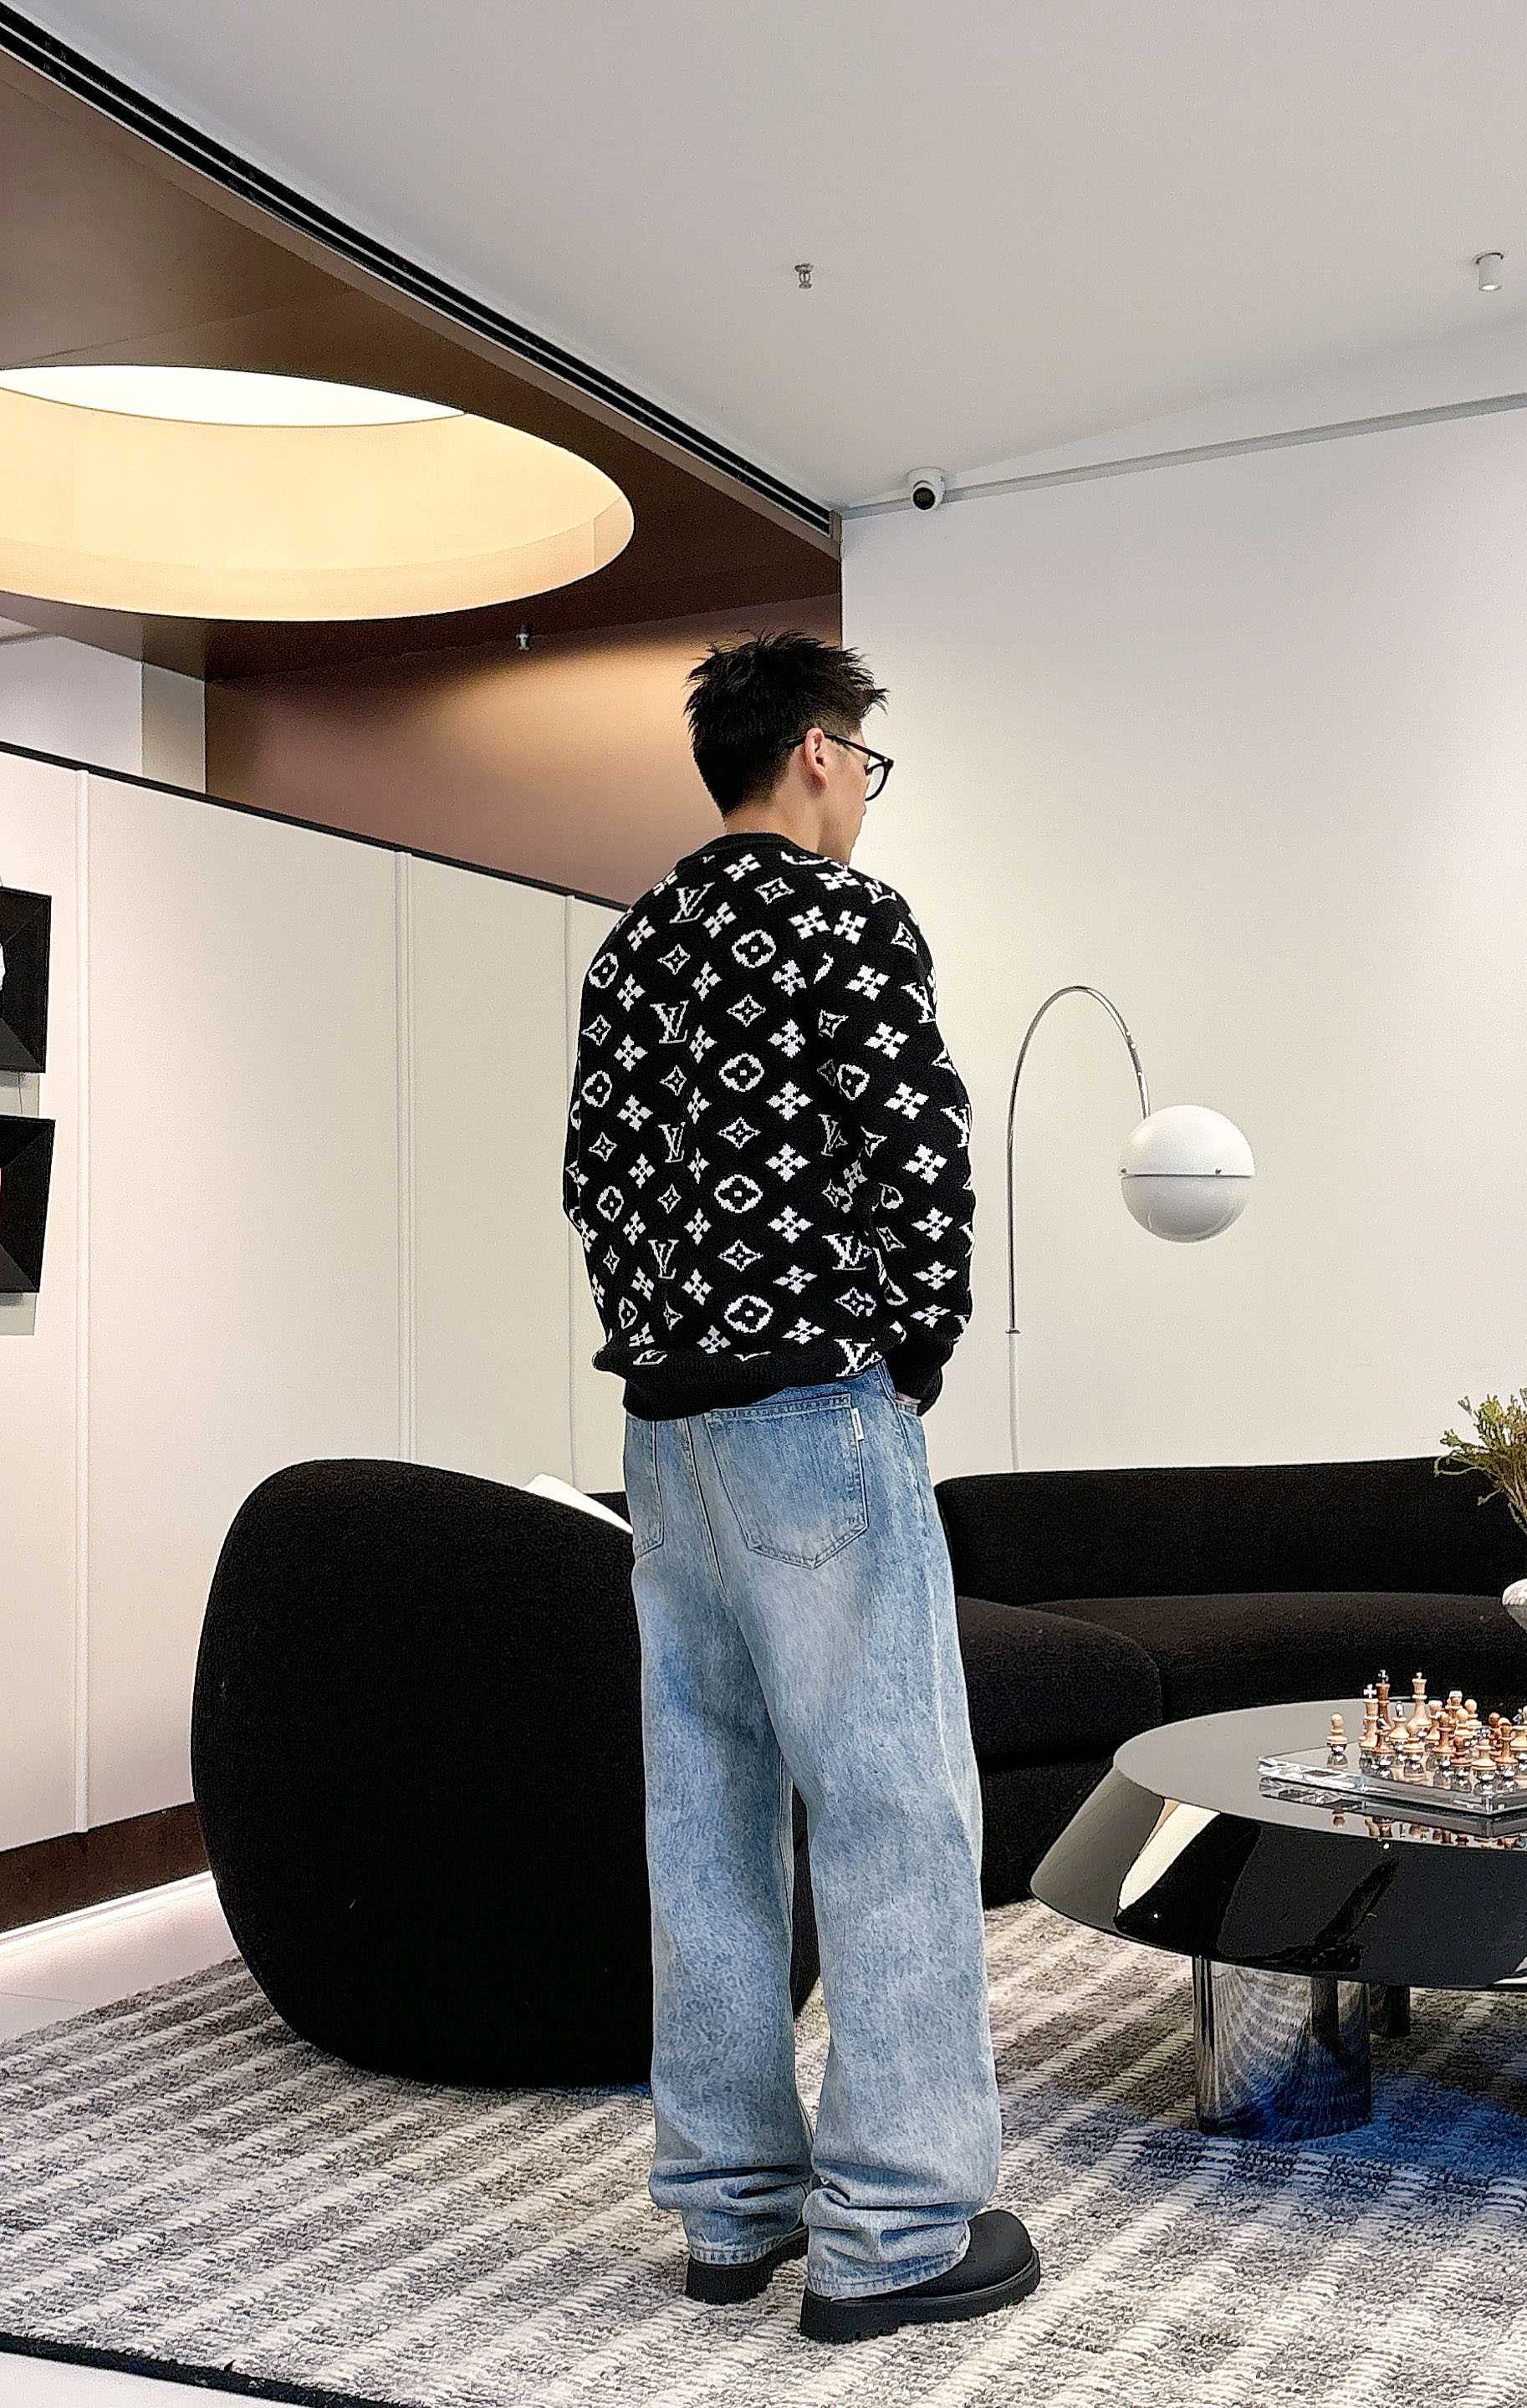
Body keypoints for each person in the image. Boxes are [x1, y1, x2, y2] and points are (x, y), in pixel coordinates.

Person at [562, 631, 1039, 2344]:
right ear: (823, 753)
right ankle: (899, 2229)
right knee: (896, 1804)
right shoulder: (847, 919)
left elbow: (596, 1184)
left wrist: (669, 1340)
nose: (865, 797)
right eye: (866, 765)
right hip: (813, 1408)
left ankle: (730, 2208)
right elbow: (919, 1155)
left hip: (666, 1433)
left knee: (705, 1808)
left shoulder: (633, 948)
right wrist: (910, 1354)